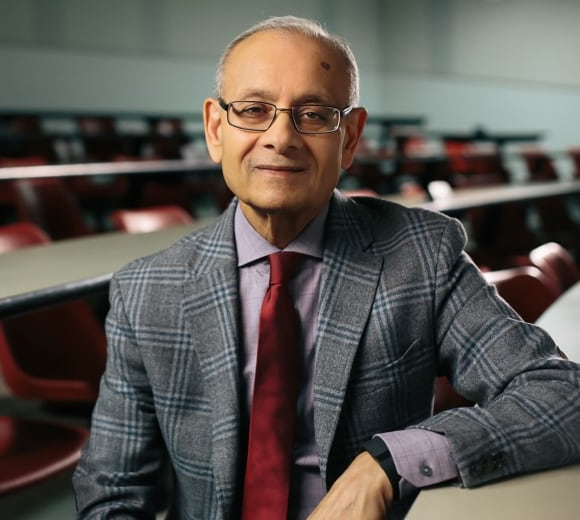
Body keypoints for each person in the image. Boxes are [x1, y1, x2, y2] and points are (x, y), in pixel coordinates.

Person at [73, 15, 580, 519]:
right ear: (214, 129)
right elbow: (113, 491)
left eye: (314, 115)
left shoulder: (421, 255)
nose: (281, 137)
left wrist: (392, 461)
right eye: (253, 110)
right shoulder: (146, 291)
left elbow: (562, 394)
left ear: (351, 138)